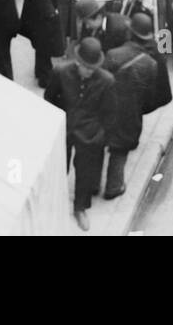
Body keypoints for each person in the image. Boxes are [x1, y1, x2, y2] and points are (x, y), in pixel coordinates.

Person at [44, 37, 118, 231]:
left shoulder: (107, 81)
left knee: (85, 174)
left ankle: (80, 208)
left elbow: (110, 113)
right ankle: (55, 203)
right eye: (85, 67)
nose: (89, 71)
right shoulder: (61, 72)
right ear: (77, 62)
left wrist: (100, 135)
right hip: (65, 129)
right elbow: (49, 99)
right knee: (59, 168)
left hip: (90, 134)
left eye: (92, 68)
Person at [102, 13, 170, 199]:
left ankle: (92, 185)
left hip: (107, 108)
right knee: (119, 149)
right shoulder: (151, 62)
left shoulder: (112, 55)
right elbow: (150, 95)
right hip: (130, 112)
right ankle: (113, 186)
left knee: (99, 145)